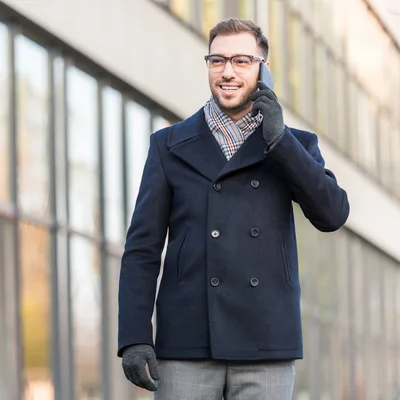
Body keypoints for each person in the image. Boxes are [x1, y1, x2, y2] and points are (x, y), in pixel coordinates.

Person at [117, 18, 350, 399]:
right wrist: (134, 336)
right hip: (187, 345)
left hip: (266, 342)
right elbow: (142, 251)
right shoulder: (169, 146)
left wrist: (279, 138)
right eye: (217, 61)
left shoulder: (294, 145)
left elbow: (333, 214)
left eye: (242, 61)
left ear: (263, 70)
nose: (228, 72)